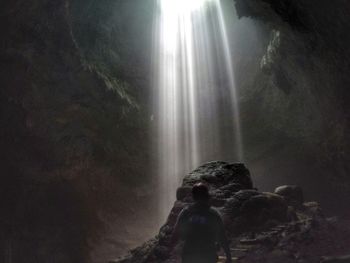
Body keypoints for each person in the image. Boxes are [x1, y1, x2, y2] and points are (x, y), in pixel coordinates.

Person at [171, 183, 232, 263]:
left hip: (189, 256)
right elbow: (222, 237)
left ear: (193, 197)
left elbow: (175, 235)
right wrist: (228, 256)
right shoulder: (213, 214)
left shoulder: (186, 212)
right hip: (208, 256)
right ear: (207, 196)